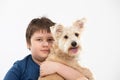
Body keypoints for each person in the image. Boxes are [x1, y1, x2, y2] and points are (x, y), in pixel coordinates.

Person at [3, 17, 88, 80]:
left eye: (50, 40)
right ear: (28, 44)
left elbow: (83, 78)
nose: (45, 44)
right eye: (39, 40)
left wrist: (57, 67)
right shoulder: (20, 67)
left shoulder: (65, 61)